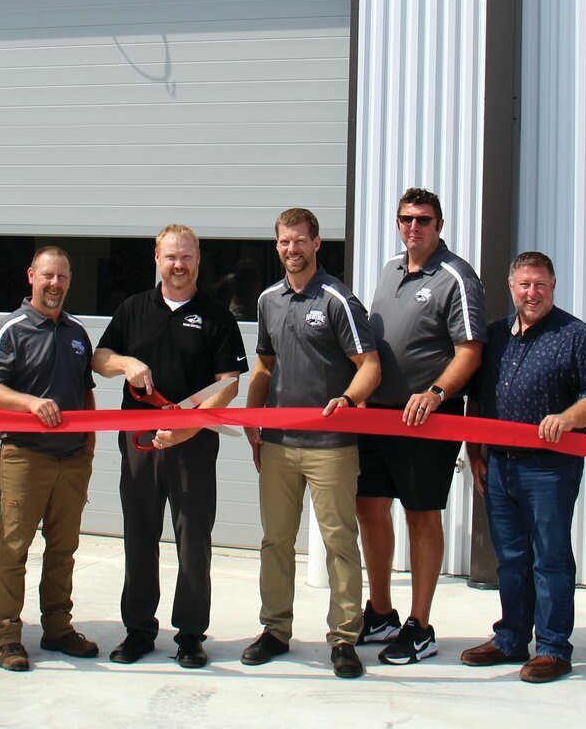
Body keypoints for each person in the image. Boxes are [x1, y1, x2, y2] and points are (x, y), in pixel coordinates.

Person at [93, 224, 247, 669]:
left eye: (187, 257)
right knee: (139, 536)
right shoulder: (132, 308)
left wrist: (189, 428)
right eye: (170, 257)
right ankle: (139, 630)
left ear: (198, 259)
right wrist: (127, 362)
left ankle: (191, 634)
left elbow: (230, 385)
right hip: (139, 442)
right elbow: (101, 360)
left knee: (192, 540)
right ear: (156, 259)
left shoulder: (217, 315)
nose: (178, 265)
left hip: (193, 446)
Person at [463, 250, 586, 683]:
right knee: (510, 558)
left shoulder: (574, 335)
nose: (532, 292)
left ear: (552, 287)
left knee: (549, 559)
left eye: (540, 285)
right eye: (524, 285)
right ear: (511, 288)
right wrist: (474, 453)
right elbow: (478, 400)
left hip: (550, 468)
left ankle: (552, 648)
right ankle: (511, 639)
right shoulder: (495, 336)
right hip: (499, 468)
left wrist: (568, 418)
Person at [241, 207, 381, 679]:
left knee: (339, 542)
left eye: (300, 241)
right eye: (284, 241)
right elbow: (263, 365)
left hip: (331, 445)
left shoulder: (339, 299)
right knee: (275, 542)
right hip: (278, 443)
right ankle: (275, 631)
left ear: (317, 244)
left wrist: (348, 397)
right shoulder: (268, 300)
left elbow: (370, 366)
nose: (291, 250)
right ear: (277, 244)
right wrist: (251, 419)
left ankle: (344, 638)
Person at [357, 188, 485, 665]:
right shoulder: (390, 269)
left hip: (429, 419)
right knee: (369, 508)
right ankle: (382, 611)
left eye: (424, 220)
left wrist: (434, 394)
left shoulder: (457, 277)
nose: (415, 227)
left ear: (440, 224)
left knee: (420, 514)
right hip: (377, 416)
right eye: (407, 219)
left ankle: (421, 624)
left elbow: (470, 352)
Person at [0, 246, 99, 672]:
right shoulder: (9, 330)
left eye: (62, 277)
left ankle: (58, 627)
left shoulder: (77, 332)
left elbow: (85, 389)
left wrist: (89, 439)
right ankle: (8, 635)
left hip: (72, 460)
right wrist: (29, 404)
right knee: (13, 548)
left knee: (64, 549)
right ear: (32, 276)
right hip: (24, 458)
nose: (54, 284)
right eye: (47, 276)